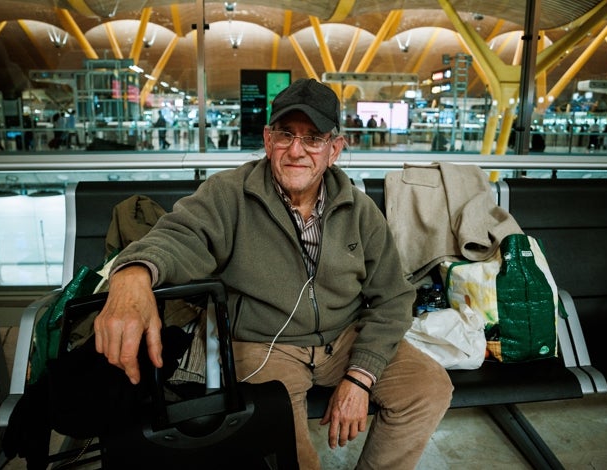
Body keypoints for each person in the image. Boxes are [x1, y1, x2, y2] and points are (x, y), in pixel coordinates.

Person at [92, 78, 452, 469]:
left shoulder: (360, 211)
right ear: (268, 140)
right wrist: (133, 273)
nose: (296, 151)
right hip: (265, 344)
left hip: (343, 337)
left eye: (313, 138)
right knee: (292, 454)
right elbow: (181, 236)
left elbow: (394, 297)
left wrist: (361, 376)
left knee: (428, 387)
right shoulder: (228, 194)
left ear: (334, 149)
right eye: (286, 134)